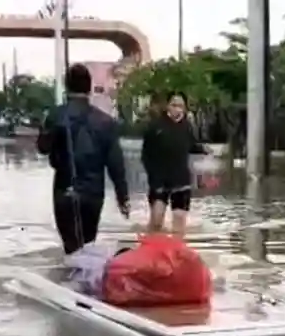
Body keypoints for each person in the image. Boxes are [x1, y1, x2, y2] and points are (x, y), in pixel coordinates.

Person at [37, 63, 131, 255]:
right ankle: (85, 283)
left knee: (71, 250)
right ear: (89, 87)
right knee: (87, 247)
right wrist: (123, 198)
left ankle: (67, 284)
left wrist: (47, 127)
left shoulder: (55, 115)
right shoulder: (106, 122)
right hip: (93, 194)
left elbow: (42, 148)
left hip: (64, 192)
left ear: (66, 85)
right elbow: (116, 164)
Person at [140, 92, 208, 239]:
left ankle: (177, 253)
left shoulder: (188, 127)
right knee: (156, 220)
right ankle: (151, 250)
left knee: (179, 222)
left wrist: (204, 153)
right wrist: (153, 178)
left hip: (181, 180)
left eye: (181, 106)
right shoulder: (155, 127)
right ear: (167, 106)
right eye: (174, 105)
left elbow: (193, 148)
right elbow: (145, 155)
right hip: (160, 180)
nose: (177, 109)